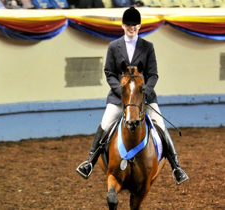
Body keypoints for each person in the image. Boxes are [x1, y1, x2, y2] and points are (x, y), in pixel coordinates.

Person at [76, 7, 189, 185]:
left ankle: (176, 166)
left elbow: (153, 75)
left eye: (135, 25)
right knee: (105, 124)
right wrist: (120, 91)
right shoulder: (114, 47)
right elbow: (109, 73)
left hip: (143, 98)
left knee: (160, 125)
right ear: (123, 25)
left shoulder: (147, 47)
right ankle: (89, 162)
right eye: (129, 24)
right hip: (119, 97)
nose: (132, 27)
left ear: (139, 26)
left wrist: (145, 92)